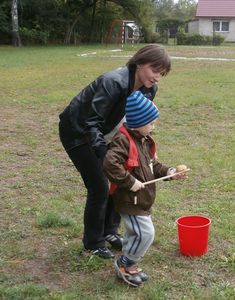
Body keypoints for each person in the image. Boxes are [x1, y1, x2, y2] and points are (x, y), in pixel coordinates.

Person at [58, 45, 171, 259]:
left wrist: (141, 148)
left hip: (108, 133)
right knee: (100, 186)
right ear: (139, 63)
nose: (157, 77)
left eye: (161, 73)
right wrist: (106, 158)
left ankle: (110, 232)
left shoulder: (149, 89)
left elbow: (138, 123)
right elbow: (92, 123)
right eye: (154, 70)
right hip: (78, 131)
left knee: (119, 182)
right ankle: (93, 242)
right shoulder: (114, 82)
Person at [103, 91, 187, 287]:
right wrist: (129, 181)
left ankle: (128, 263)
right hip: (129, 199)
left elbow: (153, 166)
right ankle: (125, 263)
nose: (153, 127)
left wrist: (171, 172)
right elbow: (109, 164)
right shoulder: (123, 140)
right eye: (151, 123)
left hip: (142, 198)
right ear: (138, 122)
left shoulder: (145, 140)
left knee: (135, 234)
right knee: (146, 234)